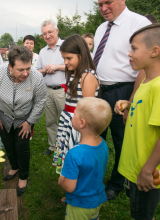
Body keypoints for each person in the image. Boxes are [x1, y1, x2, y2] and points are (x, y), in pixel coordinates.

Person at [115, 23, 160, 220]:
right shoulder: (146, 82)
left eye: (134, 48)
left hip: (145, 172)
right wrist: (127, 104)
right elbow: (144, 108)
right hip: (135, 166)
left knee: (142, 216)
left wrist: (147, 169)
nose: (130, 53)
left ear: (154, 51)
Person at [93, 0, 151, 200]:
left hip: (123, 91)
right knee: (96, 137)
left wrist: (131, 101)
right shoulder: (101, 28)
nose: (103, 8)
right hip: (100, 91)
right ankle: (95, 177)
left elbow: (145, 66)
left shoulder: (139, 23)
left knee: (121, 141)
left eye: (107, 2)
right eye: (99, 4)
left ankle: (117, 183)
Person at [0, 46, 47, 196]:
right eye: (20, 70)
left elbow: (40, 101)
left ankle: (23, 176)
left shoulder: (36, 77)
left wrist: (29, 122)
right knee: (8, 144)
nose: (26, 73)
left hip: (24, 118)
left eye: (28, 68)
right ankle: (14, 166)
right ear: (10, 67)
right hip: (3, 116)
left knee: (22, 146)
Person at [52, 35, 100, 175]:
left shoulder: (87, 76)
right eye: (64, 58)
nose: (65, 62)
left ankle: (76, 188)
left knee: (77, 156)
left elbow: (88, 108)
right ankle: (69, 183)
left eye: (69, 58)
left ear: (81, 55)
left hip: (79, 124)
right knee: (67, 154)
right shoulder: (75, 74)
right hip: (69, 121)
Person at [58, 97, 112, 220]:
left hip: (79, 205)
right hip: (97, 200)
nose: (73, 114)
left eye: (75, 112)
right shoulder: (103, 144)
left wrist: (61, 180)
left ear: (82, 123)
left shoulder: (74, 154)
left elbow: (69, 187)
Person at [36, 19, 66, 155]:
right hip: (48, 90)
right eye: (44, 34)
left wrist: (57, 67)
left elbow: (75, 66)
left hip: (64, 90)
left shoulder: (67, 46)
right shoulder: (42, 51)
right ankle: (53, 147)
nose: (47, 36)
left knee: (66, 120)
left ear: (57, 31)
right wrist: (45, 70)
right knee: (50, 121)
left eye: (50, 32)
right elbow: (37, 71)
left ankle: (67, 147)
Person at [23, 34, 39, 140]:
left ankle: (30, 129)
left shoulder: (37, 57)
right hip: (21, 86)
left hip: (34, 86)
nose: (29, 45)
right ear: (23, 44)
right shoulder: (18, 56)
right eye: (27, 43)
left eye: (31, 43)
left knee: (32, 108)